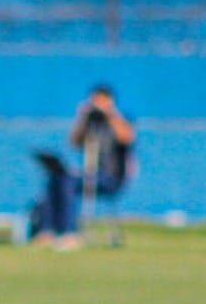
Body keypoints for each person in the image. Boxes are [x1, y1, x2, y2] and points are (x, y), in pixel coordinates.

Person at [30, 83, 136, 249]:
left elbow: (126, 137)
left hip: (111, 177)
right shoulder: (91, 124)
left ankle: (70, 233)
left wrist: (110, 113)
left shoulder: (121, 121)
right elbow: (74, 141)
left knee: (68, 182)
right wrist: (83, 117)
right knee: (56, 179)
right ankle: (46, 231)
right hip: (91, 174)